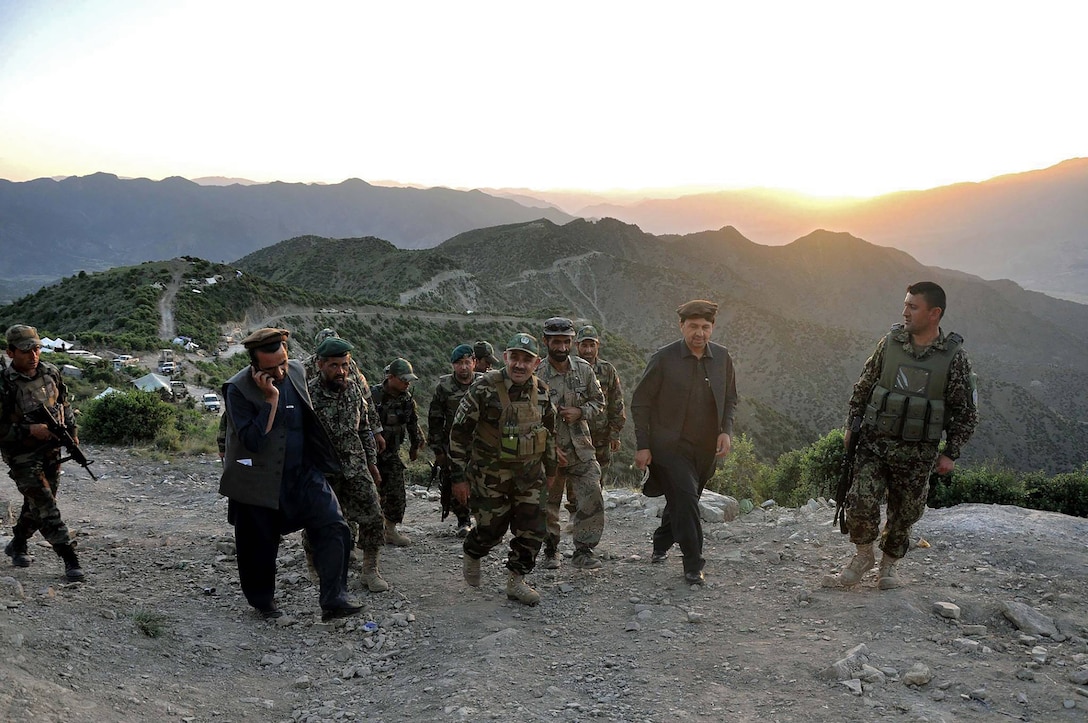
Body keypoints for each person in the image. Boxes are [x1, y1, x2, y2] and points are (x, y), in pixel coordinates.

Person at [823, 281, 978, 590]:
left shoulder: (955, 359)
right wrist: (850, 425)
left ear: (935, 314)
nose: (905, 312)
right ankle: (864, 555)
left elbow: (966, 413)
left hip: (918, 453)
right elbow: (864, 385)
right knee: (860, 502)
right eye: (905, 304)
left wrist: (951, 452)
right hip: (874, 443)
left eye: (913, 306)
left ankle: (889, 565)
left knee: (904, 514)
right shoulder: (890, 343)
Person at [219, 327, 362, 621]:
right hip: (258, 479)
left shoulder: (297, 371)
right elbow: (253, 441)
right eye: (271, 369)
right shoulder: (238, 389)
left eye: (283, 364)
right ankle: (263, 602)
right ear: (255, 364)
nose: (280, 373)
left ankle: (334, 599)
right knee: (259, 545)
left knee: (334, 525)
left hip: (302, 472)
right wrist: (270, 400)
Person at [631, 300, 738, 585]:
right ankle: (693, 564)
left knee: (683, 500)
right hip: (670, 446)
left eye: (705, 327)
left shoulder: (723, 358)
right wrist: (643, 445)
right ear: (681, 326)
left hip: (705, 449)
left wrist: (725, 430)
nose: (699, 333)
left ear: (712, 328)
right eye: (693, 326)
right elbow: (641, 402)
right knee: (687, 499)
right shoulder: (664, 358)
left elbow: (730, 399)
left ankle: (661, 541)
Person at [449, 332, 557, 605]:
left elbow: (550, 433)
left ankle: (516, 580)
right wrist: (459, 478)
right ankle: (473, 552)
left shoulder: (542, 392)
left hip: (530, 475)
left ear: (537, 363)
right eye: (515, 358)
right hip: (490, 476)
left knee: (533, 528)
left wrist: (551, 471)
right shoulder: (483, 389)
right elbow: (459, 434)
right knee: (491, 529)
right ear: (506, 357)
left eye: (527, 360)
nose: (520, 365)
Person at [1, 325, 85, 581]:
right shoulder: (4, 385)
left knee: (37, 505)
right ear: (11, 352)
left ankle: (17, 543)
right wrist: (29, 430)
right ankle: (70, 559)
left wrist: (72, 433)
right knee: (45, 505)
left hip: (51, 450)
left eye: (36, 348)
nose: (33, 355)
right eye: (26, 350)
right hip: (22, 455)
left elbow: (64, 405)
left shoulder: (50, 372)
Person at [307, 336, 388, 592]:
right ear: (320, 364)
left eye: (345, 364)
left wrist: (372, 463)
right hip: (322, 471)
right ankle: (315, 566)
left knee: (374, 516)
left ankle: (370, 570)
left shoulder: (353, 389)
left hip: (355, 466)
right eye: (334, 365)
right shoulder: (308, 394)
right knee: (318, 522)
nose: (341, 371)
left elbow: (363, 428)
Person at [537, 317, 606, 570]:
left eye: (567, 342)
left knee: (591, 496)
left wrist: (581, 412)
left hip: (581, 448)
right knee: (548, 503)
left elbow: (599, 402)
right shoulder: (537, 374)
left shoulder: (584, 370)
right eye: (556, 342)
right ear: (546, 341)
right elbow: (526, 416)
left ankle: (584, 550)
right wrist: (548, 447)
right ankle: (550, 550)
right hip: (549, 453)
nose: (562, 347)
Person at [427, 344, 481, 537]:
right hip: (454, 444)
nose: (464, 367)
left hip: (482, 443)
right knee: (456, 480)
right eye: (459, 363)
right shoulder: (444, 387)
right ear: (453, 365)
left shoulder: (483, 384)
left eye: (467, 362)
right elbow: (435, 419)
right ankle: (463, 520)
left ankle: (485, 521)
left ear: (474, 363)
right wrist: (438, 449)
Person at [304, 328, 386, 455]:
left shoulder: (349, 365)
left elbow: (366, 397)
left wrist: (376, 431)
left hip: (349, 437)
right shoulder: (305, 368)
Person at [372, 357, 424, 546]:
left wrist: (414, 446)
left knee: (396, 493)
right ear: (391, 377)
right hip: (370, 455)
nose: (407, 383)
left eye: (409, 380)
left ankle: (390, 530)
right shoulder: (373, 396)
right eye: (403, 379)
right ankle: (362, 536)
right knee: (368, 495)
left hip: (391, 453)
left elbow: (412, 424)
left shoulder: (407, 400)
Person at [575, 325, 626, 485]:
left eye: (592, 345)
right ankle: (575, 509)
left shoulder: (607, 370)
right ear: (577, 346)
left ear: (598, 345)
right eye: (584, 345)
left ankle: (596, 508)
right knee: (576, 480)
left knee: (598, 480)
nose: (588, 350)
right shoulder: (570, 369)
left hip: (601, 436)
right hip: (577, 436)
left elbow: (616, 402)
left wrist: (615, 432)